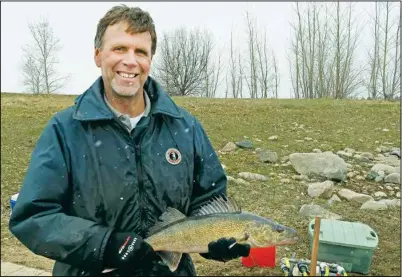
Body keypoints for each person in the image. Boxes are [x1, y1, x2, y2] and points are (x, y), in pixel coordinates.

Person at [9, 4, 250, 276]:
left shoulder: (185, 127)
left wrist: (214, 240)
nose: (130, 61)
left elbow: (208, 199)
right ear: (98, 55)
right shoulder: (64, 130)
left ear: (150, 60)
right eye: (119, 49)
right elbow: (33, 217)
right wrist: (105, 244)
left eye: (141, 52)